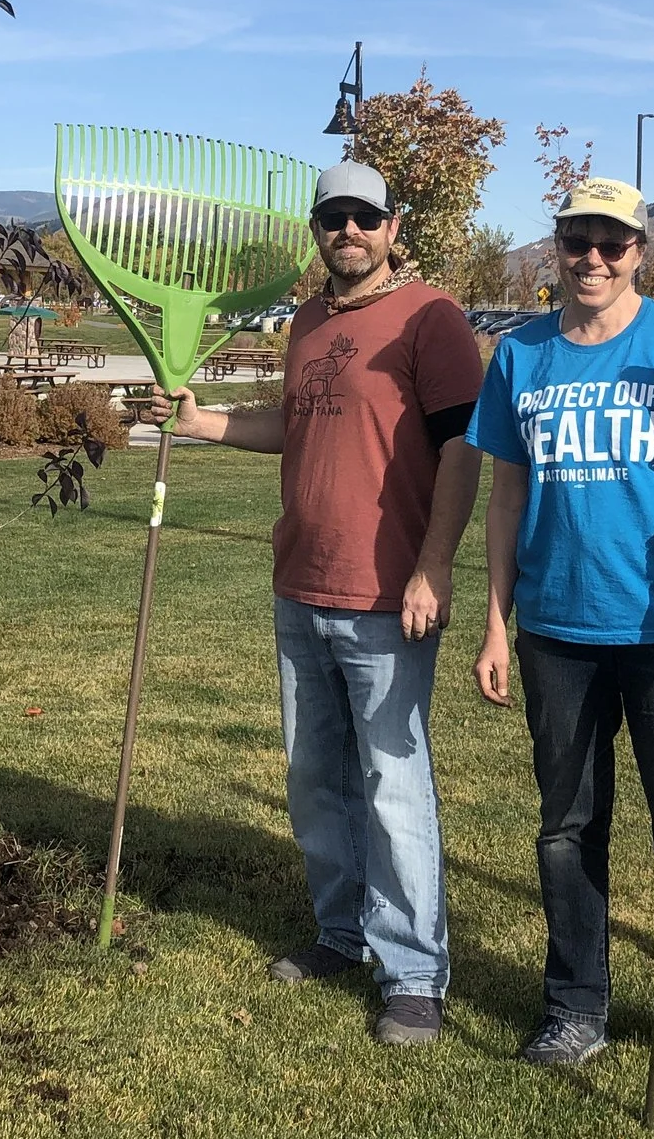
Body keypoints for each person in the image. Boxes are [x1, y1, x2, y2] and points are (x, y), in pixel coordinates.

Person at [150, 161, 483, 1046]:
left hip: (385, 598)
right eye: (333, 217)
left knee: (393, 786)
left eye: (363, 218)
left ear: (392, 226)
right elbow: (292, 423)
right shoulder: (305, 321)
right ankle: (343, 934)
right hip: (300, 584)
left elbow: (462, 450)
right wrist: (204, 421)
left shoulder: (431, 318)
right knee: (314, 781)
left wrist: (435, 566)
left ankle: (413, 973)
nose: (348, 231)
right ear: (317, 229)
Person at [467, 176, 654, 1105]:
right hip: (556, 628)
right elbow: (506, 495)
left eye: (612, 243)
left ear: (640, 251)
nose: (592, 258)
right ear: (555, 246)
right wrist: (494, 622)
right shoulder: (522, 356)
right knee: (566, 829)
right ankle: (576, 1008)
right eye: (576, 240)